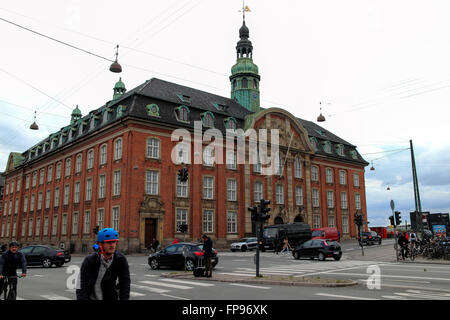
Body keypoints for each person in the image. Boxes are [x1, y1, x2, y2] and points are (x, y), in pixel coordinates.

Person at [76, 228, 130, 300]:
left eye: (114, 242)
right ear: (101, 244)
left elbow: (125, 283)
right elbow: (81, 284)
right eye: (108, 242)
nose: (112, 245)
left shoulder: (120, 259)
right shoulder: (90, 260)